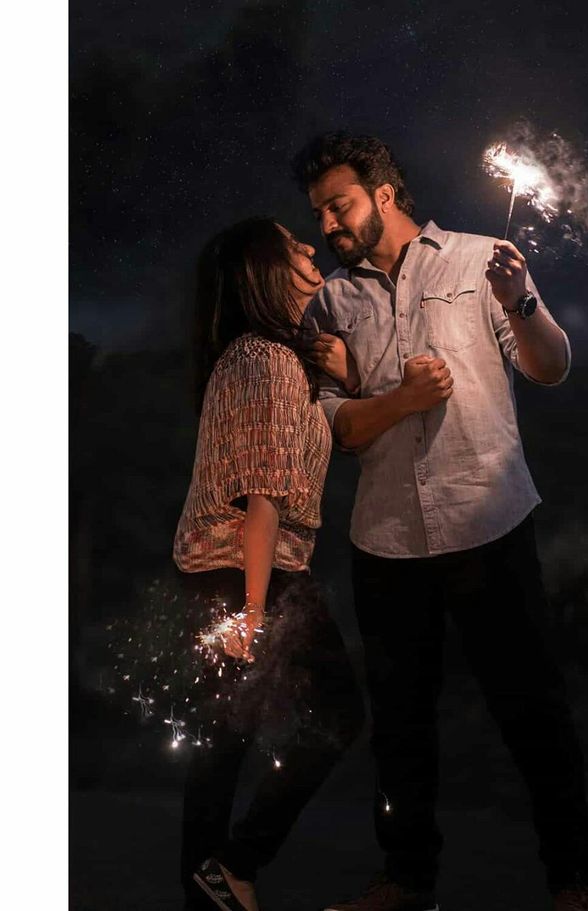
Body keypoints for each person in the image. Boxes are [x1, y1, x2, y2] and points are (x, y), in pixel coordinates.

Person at [292, 133, 588, 911]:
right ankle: (406, 881)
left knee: (532, 710)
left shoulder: (481, 259)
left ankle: (573, 880)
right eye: (320, 212)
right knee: (400, 726)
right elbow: (342, 429)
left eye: (340, 204)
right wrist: (397, 398)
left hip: (489, 522)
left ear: (384, 195)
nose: (328, 223)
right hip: (387, 539)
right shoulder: (330, 301)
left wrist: (521, 299)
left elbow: (551, 367)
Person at [172, 217, 364, 911]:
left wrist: (347, 373)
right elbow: (261, 499)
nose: (311, 250)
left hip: (225, 569)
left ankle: (208, 884)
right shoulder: (263, 359)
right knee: (338, 713)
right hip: (253, 568)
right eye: (293, 247)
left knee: (224, 741)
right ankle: (234, 862)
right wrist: (253, 612)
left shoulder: (262, 358)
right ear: (263, 272)